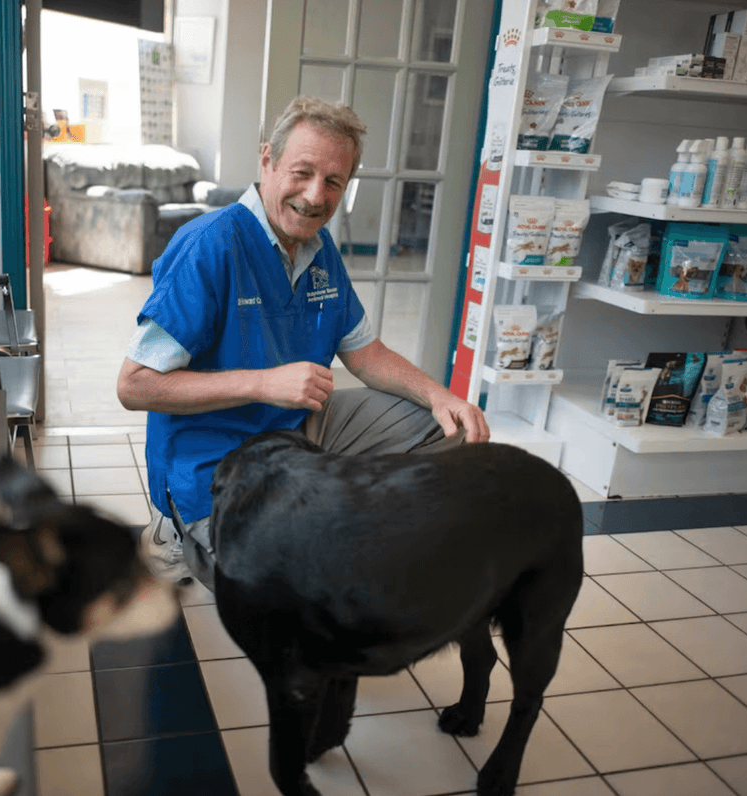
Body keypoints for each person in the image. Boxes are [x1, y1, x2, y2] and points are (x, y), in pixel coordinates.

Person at [116, 96, 489, 588]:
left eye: (334, 181)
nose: (316, 196)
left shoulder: (318, 248)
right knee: (286, 582)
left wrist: (441, 396)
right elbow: (134, 387)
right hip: (212, 463)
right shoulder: (209, 245)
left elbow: (366, 353)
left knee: (449, 428)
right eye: (303, 172)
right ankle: (176, 532)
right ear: (267, 159)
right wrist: (263, 383)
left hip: (294, 434)